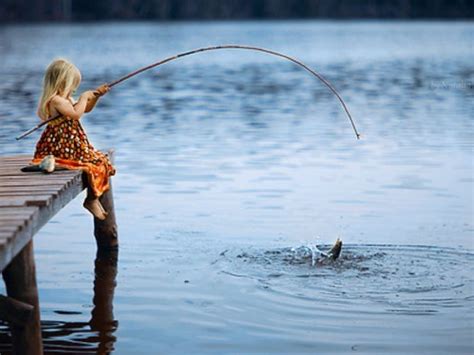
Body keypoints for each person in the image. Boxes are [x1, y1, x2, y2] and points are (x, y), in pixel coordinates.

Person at [32, 58, 115, 220]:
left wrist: (95, 96)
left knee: (102, 160)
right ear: (62, 82)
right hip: (63, 146)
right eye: (72, 84)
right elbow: (76, 114)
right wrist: (84, 97)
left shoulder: (66, 99)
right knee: (94, 163)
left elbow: (86, 110)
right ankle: (91, 200)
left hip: (73, 143)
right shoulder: (56, 101)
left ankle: (93, 198)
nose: (74, 89)